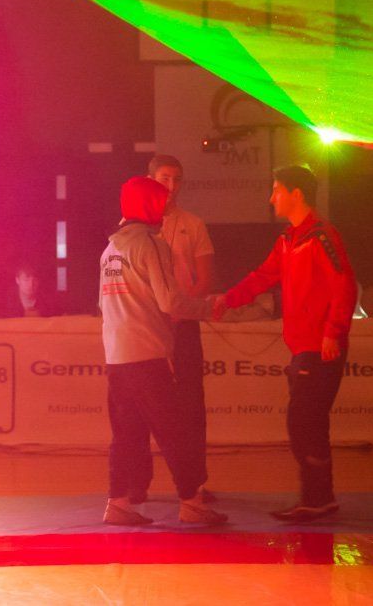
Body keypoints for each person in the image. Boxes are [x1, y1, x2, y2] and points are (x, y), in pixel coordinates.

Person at [213, 164, 356, 523]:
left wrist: (332, 332)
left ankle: (317, 497)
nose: (271, 198)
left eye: (276, 189)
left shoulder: (322, 236)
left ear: (296, 193)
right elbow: (263, 276)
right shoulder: (288, 240)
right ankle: (320, 497)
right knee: (310, 422)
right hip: (303, 346)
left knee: (302, 422)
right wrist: (228, 299)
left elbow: (344, 285)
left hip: (318, 347)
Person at [99, 176, 226, 528]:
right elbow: (170, 301)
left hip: (116, 357)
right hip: (147, 355)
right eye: (161, 201)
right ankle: (192, 502)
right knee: (176, 431)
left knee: (126, 434)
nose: (166, 209)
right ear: (148, 204)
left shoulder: (109, 251)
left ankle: (118, 503)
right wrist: (209, 307)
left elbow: (104, 305)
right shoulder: (150, 245)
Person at [126, 154, 215, 506]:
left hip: (183, 325)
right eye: (165, 178)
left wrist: (180, 312)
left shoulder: (193, 224)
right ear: (150, 180)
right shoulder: (133, 229)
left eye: (177, 179)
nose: (172, 186)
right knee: (138, 405)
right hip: (146, 328)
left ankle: (196, 484)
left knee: (191, 404)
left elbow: (204, 279)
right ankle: (136, 484)